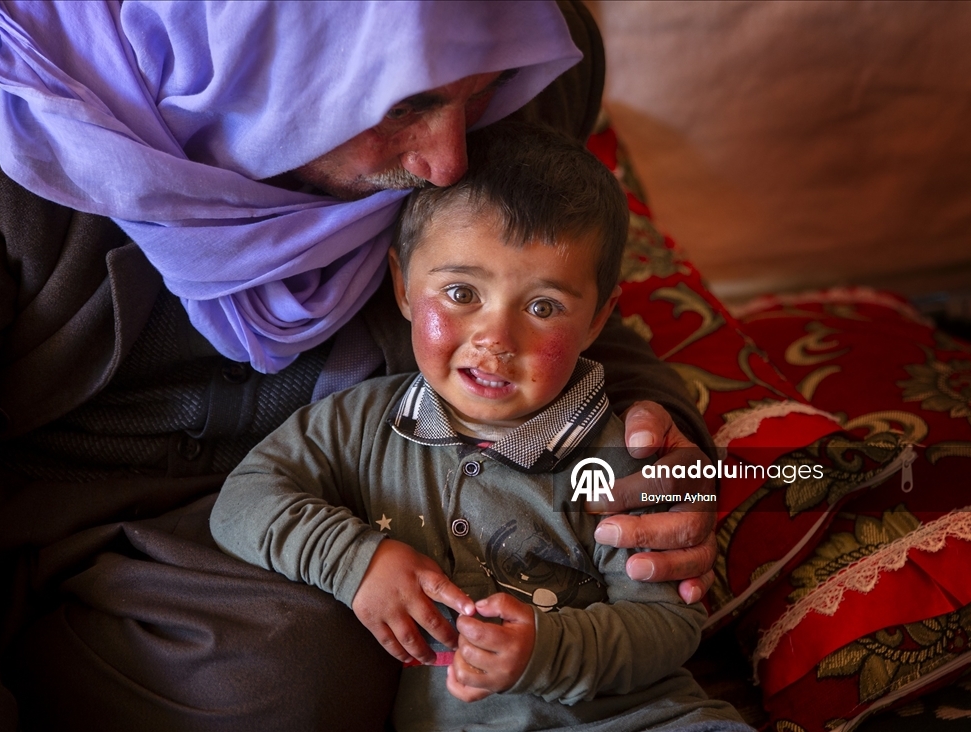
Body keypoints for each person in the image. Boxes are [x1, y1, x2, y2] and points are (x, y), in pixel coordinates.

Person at [0, 2, 717, 730]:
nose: (447, 161)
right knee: (280, 679)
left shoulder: (522, 49)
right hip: (61, 526)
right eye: (402, 103)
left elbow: (550, 291)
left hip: (365, 500)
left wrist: (659, 440)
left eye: (478, 93)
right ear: (258, 52)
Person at [211, 122, 750, 732]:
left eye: (544, 307)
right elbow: (244, 498)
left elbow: (667, 623)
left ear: (599, 320)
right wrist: (355, 561)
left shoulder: (617, 455)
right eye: (462, 291)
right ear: (405, 286)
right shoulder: (360, 423)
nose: (496, 340)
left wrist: (547, 649)